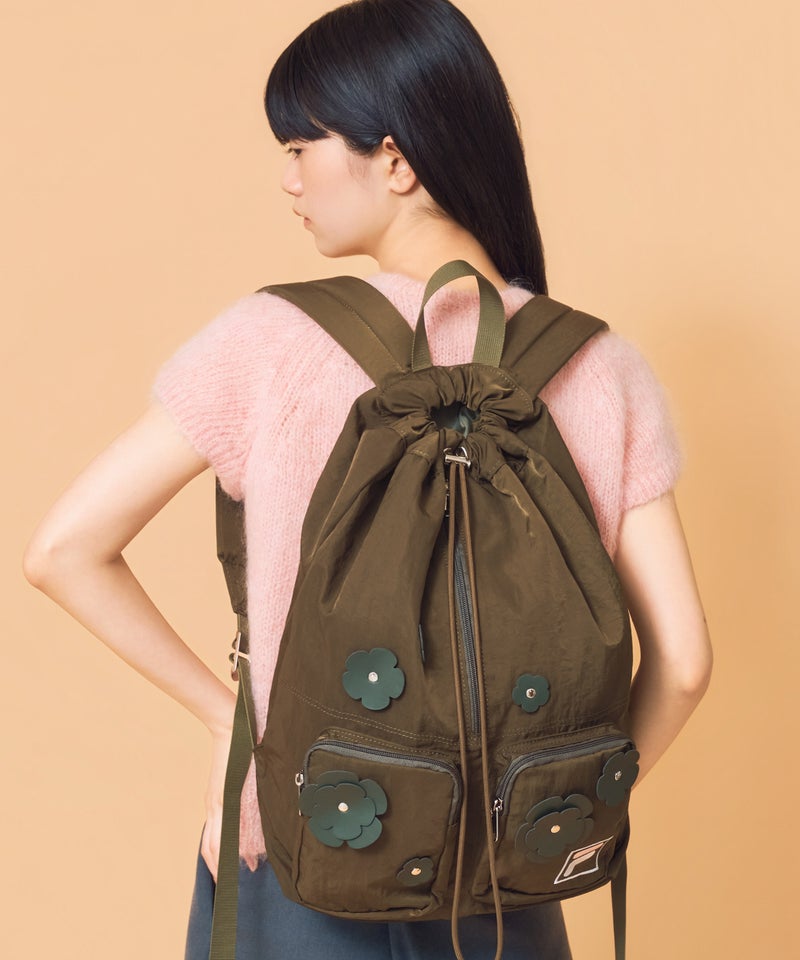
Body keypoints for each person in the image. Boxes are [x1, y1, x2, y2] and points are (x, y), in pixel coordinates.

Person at [23, 1, 712, 957]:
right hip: (506, 888)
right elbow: (685, 662)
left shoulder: (269, 344)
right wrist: (539, 813)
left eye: (302, 145)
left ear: (395, 160)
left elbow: (62, 551)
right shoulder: (601, 368)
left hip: (305, 847)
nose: (288, 177)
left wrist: (236, 730)